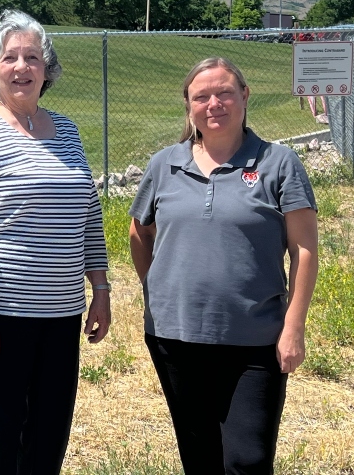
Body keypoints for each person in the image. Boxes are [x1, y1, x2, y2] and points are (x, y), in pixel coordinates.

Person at [128, 57, 318, 475]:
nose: (214, 104)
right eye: (202, 97)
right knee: (199, 456)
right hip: (175, 335)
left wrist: (294, 326)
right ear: (189, 105)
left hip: (256, 340)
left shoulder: (278, 163)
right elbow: (139, 233)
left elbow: (304, 249)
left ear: (245, 96)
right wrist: (158, 288)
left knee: (248, 460)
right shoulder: (164, 165)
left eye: (224, 93)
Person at [0, 9, 111, 475]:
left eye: (32, 57)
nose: (22, 67)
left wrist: (100, 289)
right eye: (10, 57)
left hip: (62, 313)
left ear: (47, 68)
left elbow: (88, 215)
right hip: (1, 315)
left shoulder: (68, 130)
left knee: (47, 438)